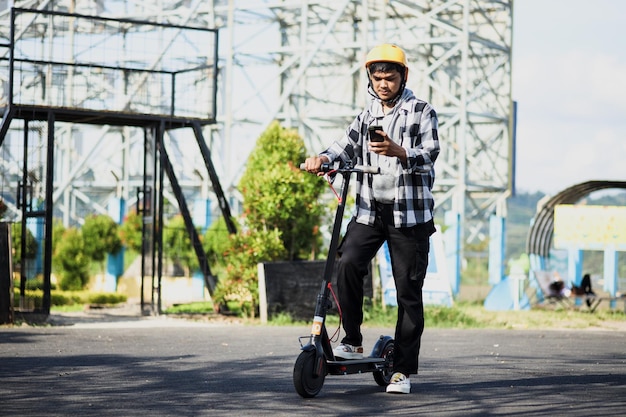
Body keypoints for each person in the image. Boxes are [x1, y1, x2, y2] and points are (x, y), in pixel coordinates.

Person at [303, 43, 440, 394]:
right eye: (377, 78)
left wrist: (399, 151)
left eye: (390, 77)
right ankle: (352, 339)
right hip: (369, 210)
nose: (383, 84)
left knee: (408, 292)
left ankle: (402, 372)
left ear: (403, 76)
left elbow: (430, 153)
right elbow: (342, 146)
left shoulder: (421, 111)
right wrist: (321, 158)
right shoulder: (366, 115)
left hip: (408, 215)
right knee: (347, 264)